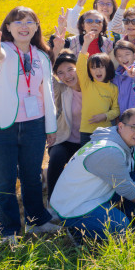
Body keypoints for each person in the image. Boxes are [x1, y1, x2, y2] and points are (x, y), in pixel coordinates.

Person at [0, 7, 59, 237]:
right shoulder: (1, 49)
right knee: (4, 181)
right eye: (17, 22)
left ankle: (37, 220)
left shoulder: (41, 55)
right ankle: (8, 230)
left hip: (34, 124)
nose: (24, 26)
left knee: (32, 176)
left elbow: (47, 92)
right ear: (8, 27)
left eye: (29, 22)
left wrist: (50, 127)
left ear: (36, 27)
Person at [49, 109, 135, 241]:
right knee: (120, 227)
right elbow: (125, 187)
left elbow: (130, 165)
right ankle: (77, 231)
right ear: (121, 126)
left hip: (90, 195)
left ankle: (127, 216)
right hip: (74, 207)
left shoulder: (117, 138)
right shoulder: (110, 151)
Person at [47, 51, 83, 196]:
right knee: (56, 157)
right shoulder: (61, 89)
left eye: (70, 69)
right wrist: (56, 49)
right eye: (61, 73)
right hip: (66, 140)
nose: (67, 76)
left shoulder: (93, 87)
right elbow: (46, 74)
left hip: (88, 140)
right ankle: (52, 199)